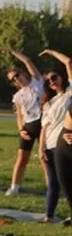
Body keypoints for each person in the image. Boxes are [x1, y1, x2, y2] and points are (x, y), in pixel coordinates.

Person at [38, 50, 72, 223]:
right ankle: (49, 216)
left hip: (66, 144)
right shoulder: (48, 103)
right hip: (50, 145)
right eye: (48, 81)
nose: (52, 81)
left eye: (54, 77)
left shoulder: (69, 94)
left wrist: (51, 52)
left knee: (67, 182)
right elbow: (45, 127)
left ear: (61, 77)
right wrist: (41, 148)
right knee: (53, 183)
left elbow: (69, 63)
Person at [6, 49, 43, 196]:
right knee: (22, 158)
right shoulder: (18, 96)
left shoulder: (36, 82)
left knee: (45, 158)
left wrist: (11, 52)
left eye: (16, 75)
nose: (16, 79)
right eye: (12, 79)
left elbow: (27, 60)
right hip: (28, 127)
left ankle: (52, 187)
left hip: (42, 124)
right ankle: (14, 187)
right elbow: (19, 116)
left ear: (22, 73)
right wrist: (21, 130)